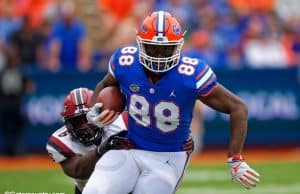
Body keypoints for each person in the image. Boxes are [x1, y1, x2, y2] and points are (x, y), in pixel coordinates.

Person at [84, 11, 260, 194]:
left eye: (166, 49)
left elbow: (238, 107)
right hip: (129, 147)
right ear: (140, 44)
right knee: (95, 191)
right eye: (153, 48)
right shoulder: (125, 62)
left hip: (168, 157)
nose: (159, 55)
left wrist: (235, 158)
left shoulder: (191, 73)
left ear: (178, 47)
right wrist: (93, 112)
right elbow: (104, 85)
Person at [46, 87, 194, 193]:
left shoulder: (121, 121)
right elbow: (78, 171)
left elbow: (157, 130)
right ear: (67, 124)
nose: (85, 126)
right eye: (78, 122)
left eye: (86, 119)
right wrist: (103, 149)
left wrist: (178, 141)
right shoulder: (60, 141)